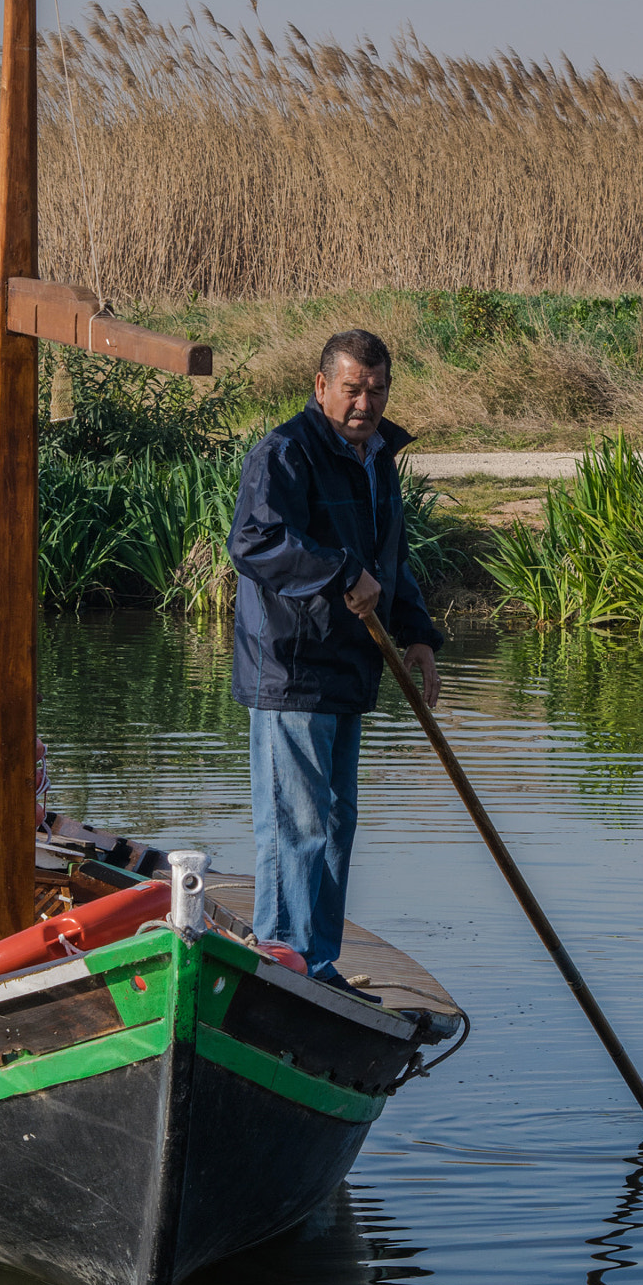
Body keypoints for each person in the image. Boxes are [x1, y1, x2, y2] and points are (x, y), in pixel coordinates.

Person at [227, 329, 443, 1002]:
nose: (364, 402)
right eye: (352, 387)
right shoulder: (285, 452)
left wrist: (417, 636)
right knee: (298, 822)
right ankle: (282, 965)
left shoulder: (377, 458)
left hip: (350, 665)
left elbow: (389, 561)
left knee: (336, 822)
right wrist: (338, 572)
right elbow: (254, 542)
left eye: (376, 389)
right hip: (290, 664)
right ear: (320, 386)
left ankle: (316, 970)